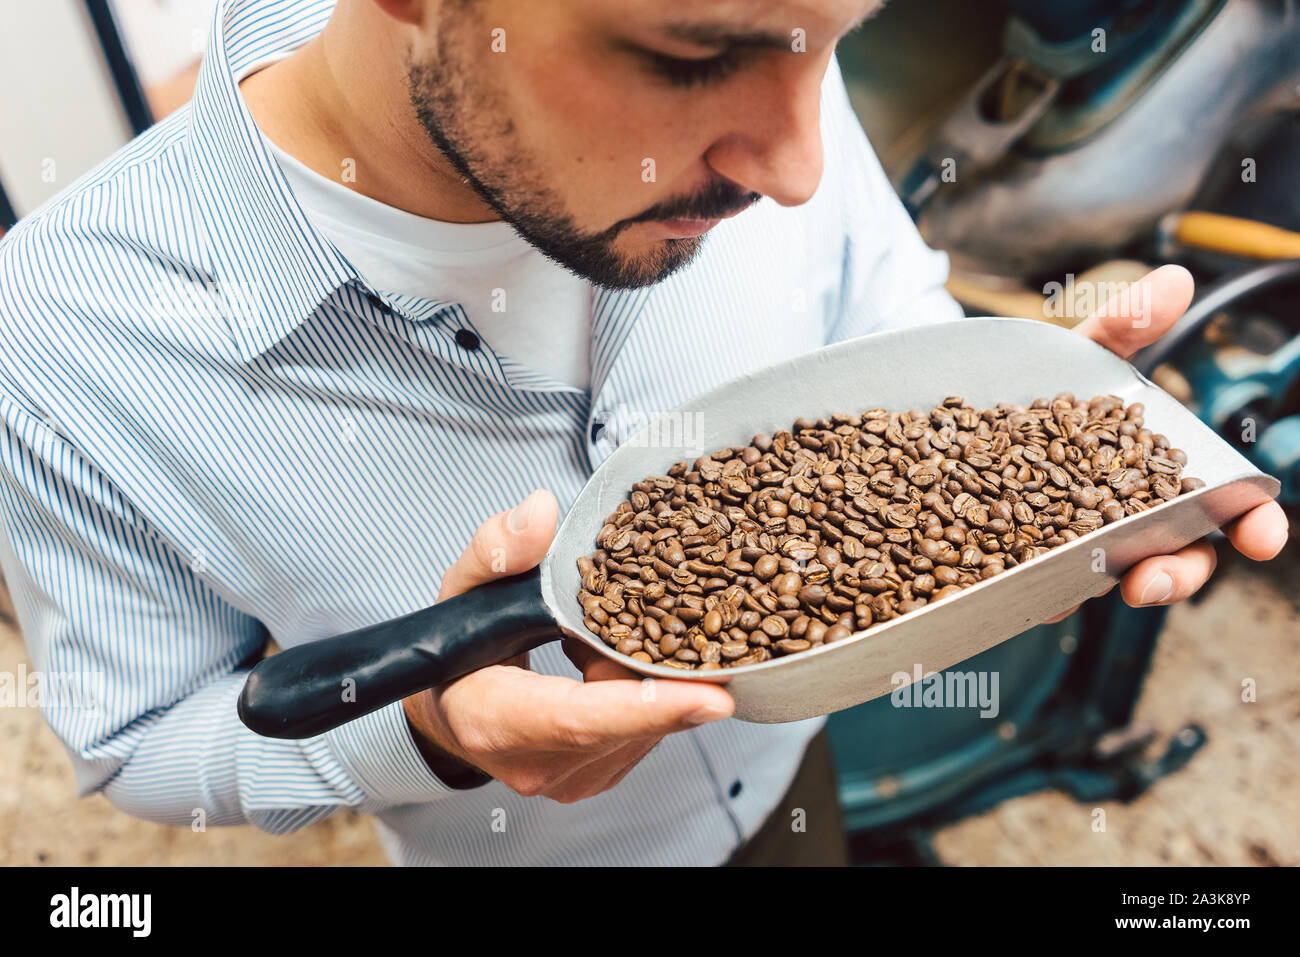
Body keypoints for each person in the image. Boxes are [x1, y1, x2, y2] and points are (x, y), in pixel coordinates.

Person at [0, 0, 1286, 867]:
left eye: (833, 39)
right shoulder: (60, 338)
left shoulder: (772, 84)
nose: (795, 167)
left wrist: (1018, 412)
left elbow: (889, 308)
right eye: (691, 59)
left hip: (795, 780)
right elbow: (140, 742)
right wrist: (435, 741)